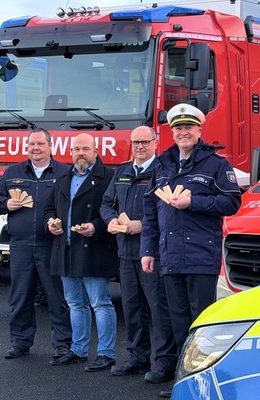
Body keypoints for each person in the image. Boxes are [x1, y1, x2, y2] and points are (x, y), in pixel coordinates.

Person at [141, 104, 242, 395]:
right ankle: (182, 378)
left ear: (199, 130)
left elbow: (232, 203)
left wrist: (193, 203)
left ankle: (205, 378)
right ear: (171, 132)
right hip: (170, 254)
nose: (183, 133)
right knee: (177, 318)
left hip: (200, 253)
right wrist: (148, 250)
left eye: (189, 127)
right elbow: (150, 210)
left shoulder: (216, 164)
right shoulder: (163, 165)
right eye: (178, 128)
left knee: (202, 319)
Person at [0, 128, 73, 363]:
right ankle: (20, 342)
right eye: (32, 145)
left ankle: (62, 344)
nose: (36, 148)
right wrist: (7, 203)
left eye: (40, 144)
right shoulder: (13, 172)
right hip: (21, 244)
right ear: (27, 147)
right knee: (20, 295)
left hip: (52, 245)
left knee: (57, 297)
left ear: (50, 146)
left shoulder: (64, 173)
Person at [101, 126, 176, 380]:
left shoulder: (163, 172)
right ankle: (137, 357)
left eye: (145, 142)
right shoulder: (121, 171)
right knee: (132, 308)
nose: (140, 147)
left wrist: (141, 225)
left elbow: (169, 211)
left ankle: (164, 362)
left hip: (152, 252)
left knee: (158, 308)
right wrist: (110, 220)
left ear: (156, 143)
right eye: (135, 143)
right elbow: (106, 203)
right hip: (125, 252)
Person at [45, 133, 119, 371]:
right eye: (77, 149)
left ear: (96, 151)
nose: (81, 153)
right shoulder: (63, 177)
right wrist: (50, 222)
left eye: (86, 149)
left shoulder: (108, 177)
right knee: (75, 303)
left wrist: (96, 227)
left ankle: (106, 353)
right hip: (65, 249)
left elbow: (113, 210)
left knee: (100, 303)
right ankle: (78, 350)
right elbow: (49, 207)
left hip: (93, 248)